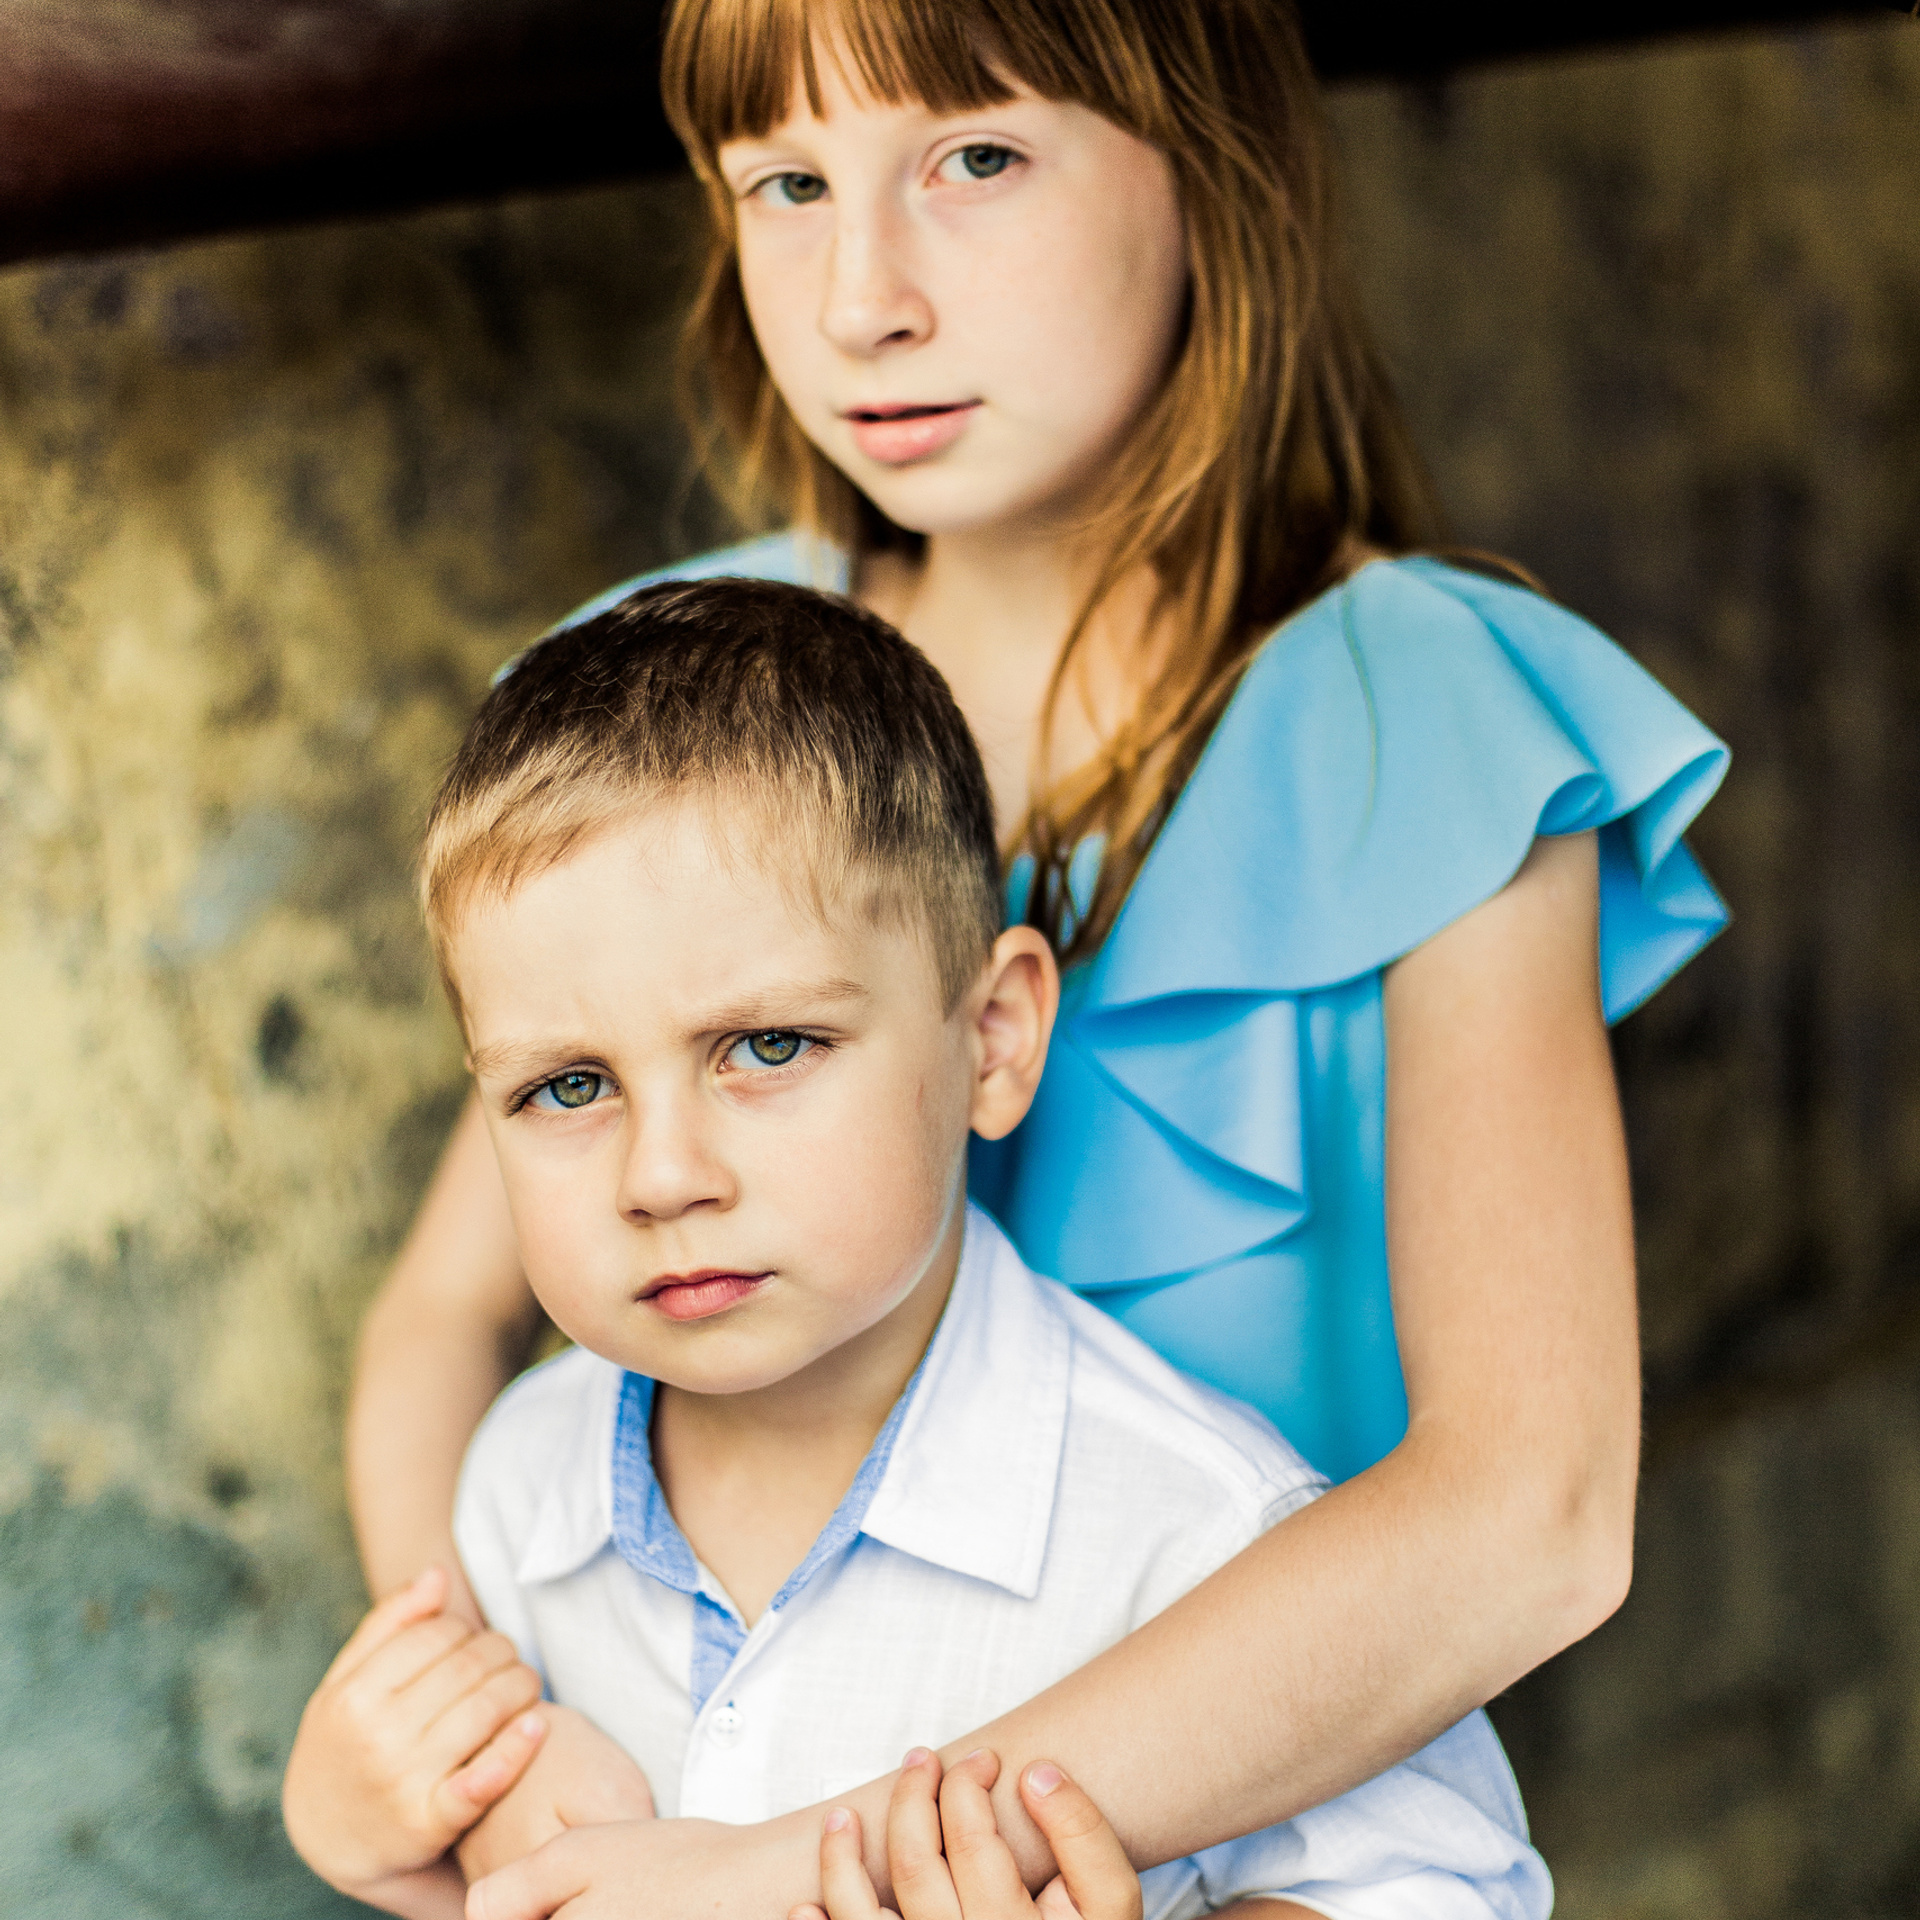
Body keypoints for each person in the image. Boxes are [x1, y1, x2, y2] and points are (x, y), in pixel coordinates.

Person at [329, 0, 1731, 1914]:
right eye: (788, 185)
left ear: (1206, 171)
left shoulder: (1428, 715)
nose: (861, 299)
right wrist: (490, 1757)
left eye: (975, 159)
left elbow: (1533, 1517)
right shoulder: (693, 686)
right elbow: (435, 1326)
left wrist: (809, 1878)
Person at [291, 579, 1552, 1920]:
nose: (661, 1177)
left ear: (993, 1041)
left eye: (768, 1046)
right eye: (568, 1087)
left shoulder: (1204, 1539)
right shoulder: (509, 1499)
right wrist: (378, 1839)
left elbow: (1439, 1886)